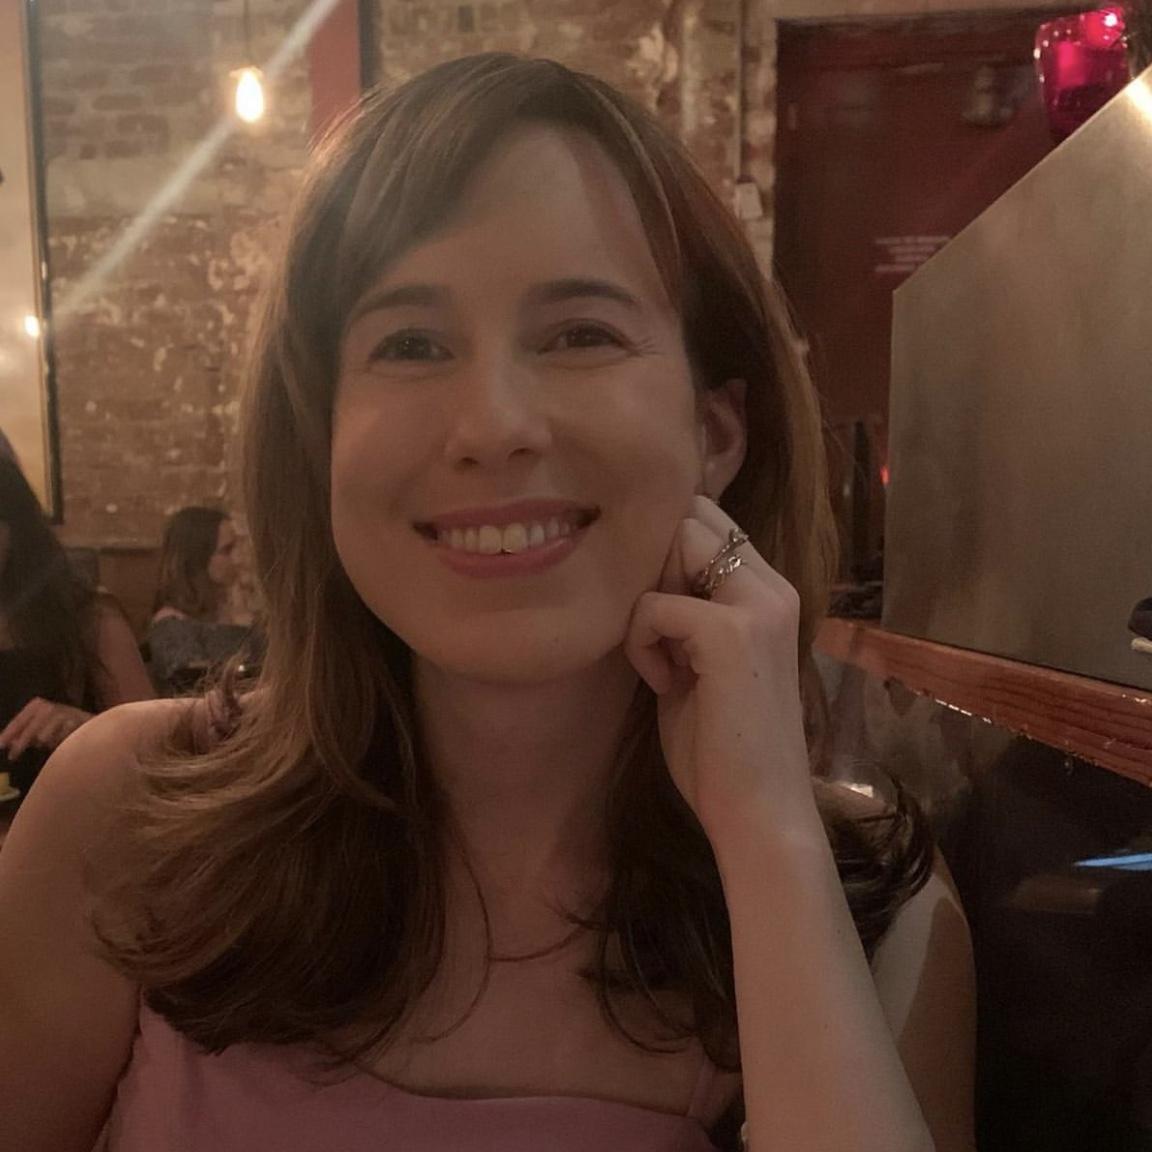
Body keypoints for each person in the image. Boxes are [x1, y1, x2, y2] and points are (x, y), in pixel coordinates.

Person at [0, 55, 976, 1152]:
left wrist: (765, 840)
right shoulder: (123, 817)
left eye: (580, 334)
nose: (494, 425)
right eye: (411, 345)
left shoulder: (869, 906)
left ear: (714, 432)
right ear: (323, 441)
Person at [0, 456, 154, 799]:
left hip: (68, 819)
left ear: (15, 530)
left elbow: (158, 752)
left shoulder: (88, 617)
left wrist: (87, 730)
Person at [146, 506, 257, 694]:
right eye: (227, 550)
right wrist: (241, 626)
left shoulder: (234, 610)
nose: (237, 559)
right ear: (198, 558)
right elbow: (194, 689)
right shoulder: (172, 626)